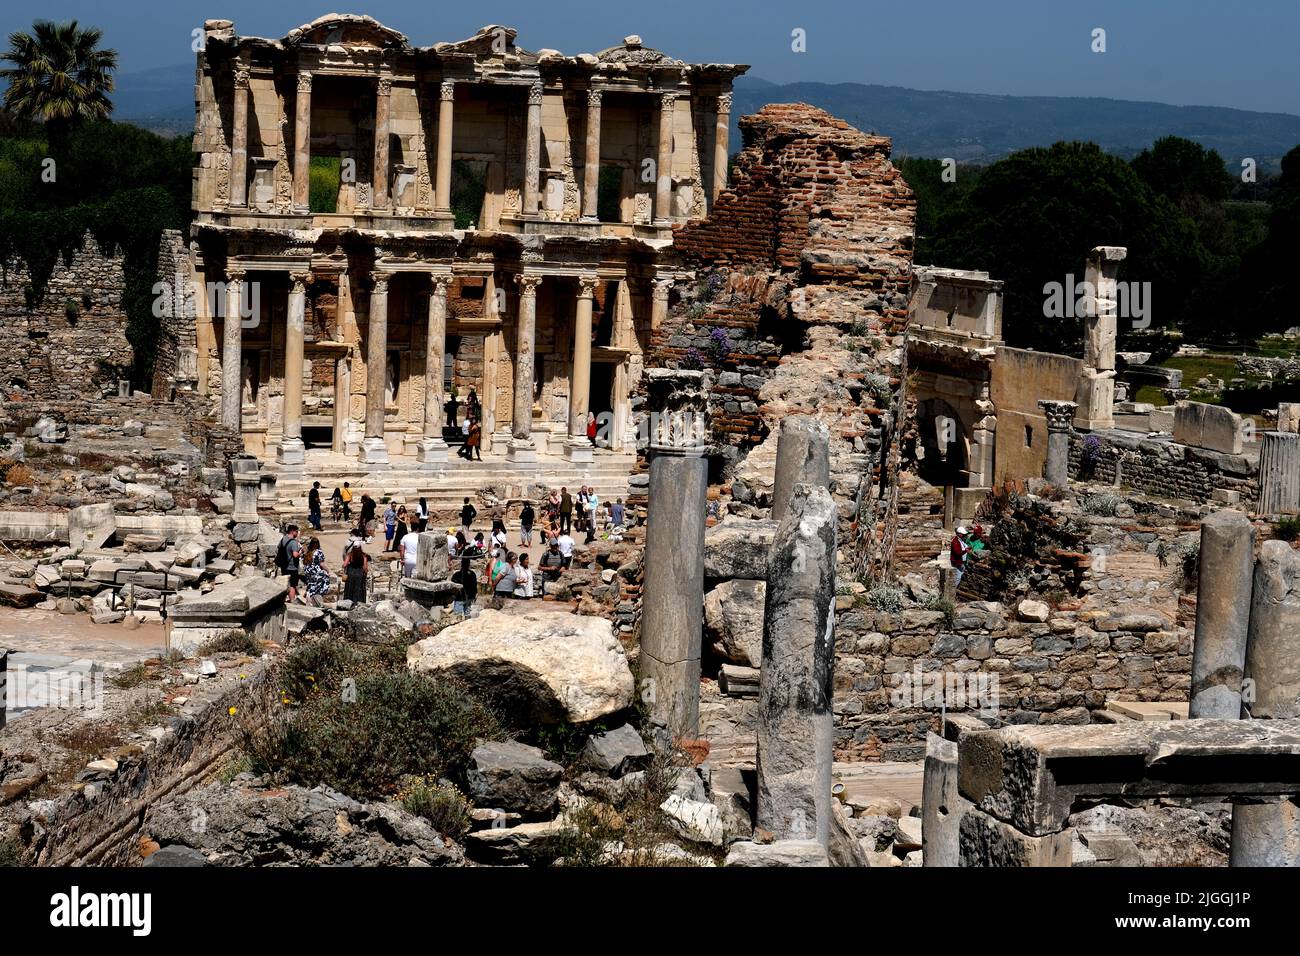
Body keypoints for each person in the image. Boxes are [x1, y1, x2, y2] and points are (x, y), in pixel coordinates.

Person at [276, 525, 303, 603]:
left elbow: (278, 548)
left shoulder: (283, 539)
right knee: (292, 585)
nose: (297, 533)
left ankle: (283, 600)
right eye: (296, 531)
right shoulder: (293, 542)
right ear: (292, 531)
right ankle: (292, 601)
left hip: (284, 565)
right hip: (292, 567)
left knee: (285, 583)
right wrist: (300, 552)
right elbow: (295, 555)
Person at [302, 537, 331, 606]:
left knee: (311, 585)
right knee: (325, 579)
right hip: (316, 572)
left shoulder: (308, 552)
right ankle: (315, 598)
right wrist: (328, 571)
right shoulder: (319, 552)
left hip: (308, 572)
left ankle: (309, 596)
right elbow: (322, 564)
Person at [342, 538, 369, 604]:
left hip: (351, 573)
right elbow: (365, 567)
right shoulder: (364, 555)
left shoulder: (350, 554)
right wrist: (365, 573)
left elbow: (344, 564)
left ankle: (348, 602)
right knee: (359, 589)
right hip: (360, 574)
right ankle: (359, 602)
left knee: (350, 588)